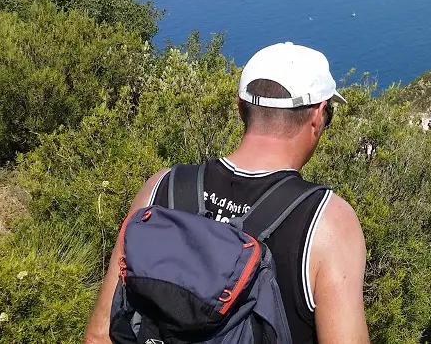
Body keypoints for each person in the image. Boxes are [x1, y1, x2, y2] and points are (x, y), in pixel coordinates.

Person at [84, 42, 370, 344]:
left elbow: (99, 336)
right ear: (318, 114)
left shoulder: (160, 189)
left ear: (239, 106)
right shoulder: (327, 223)